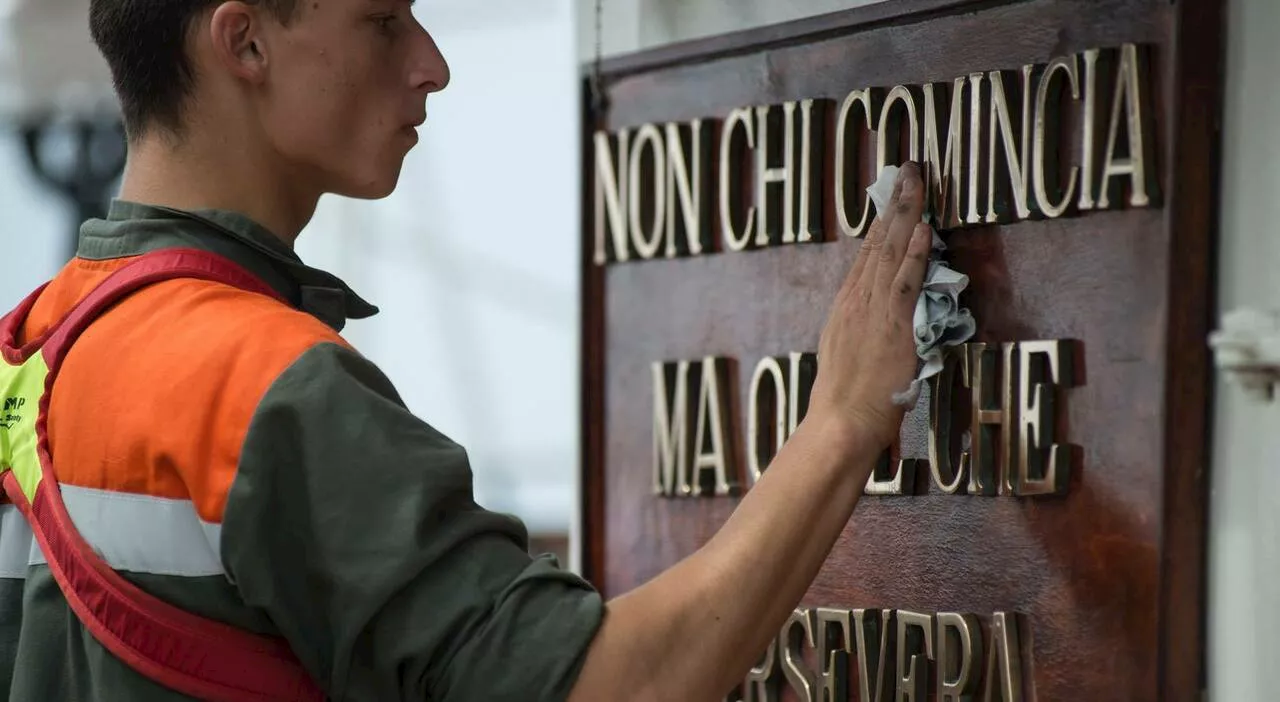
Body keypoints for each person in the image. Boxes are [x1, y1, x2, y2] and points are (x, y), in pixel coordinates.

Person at [0, 1, 933, 700]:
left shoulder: (34, 348)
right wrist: (844, 419)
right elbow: (606, 689)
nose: (432, 63)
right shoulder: (268, 389)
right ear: (244, 43)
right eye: (382, 21)